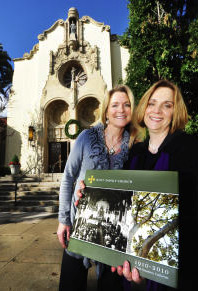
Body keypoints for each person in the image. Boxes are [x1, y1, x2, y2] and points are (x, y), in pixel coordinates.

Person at [117, 79, 198, 290]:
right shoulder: (135, 153)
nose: (157, 111)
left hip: (176, 269)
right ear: (144, 107)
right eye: (152, 103)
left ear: (175, 111)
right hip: (133, 265)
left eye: (167, 105)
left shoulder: (188, 148)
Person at [57, 84, 138, 291]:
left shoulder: (136, 146)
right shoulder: (86, 138)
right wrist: (63, 220)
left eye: (126, 104)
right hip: (79, 228)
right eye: (115, 105)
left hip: (114, 237)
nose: (121, 110)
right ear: (106, 111)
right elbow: (68, 177)